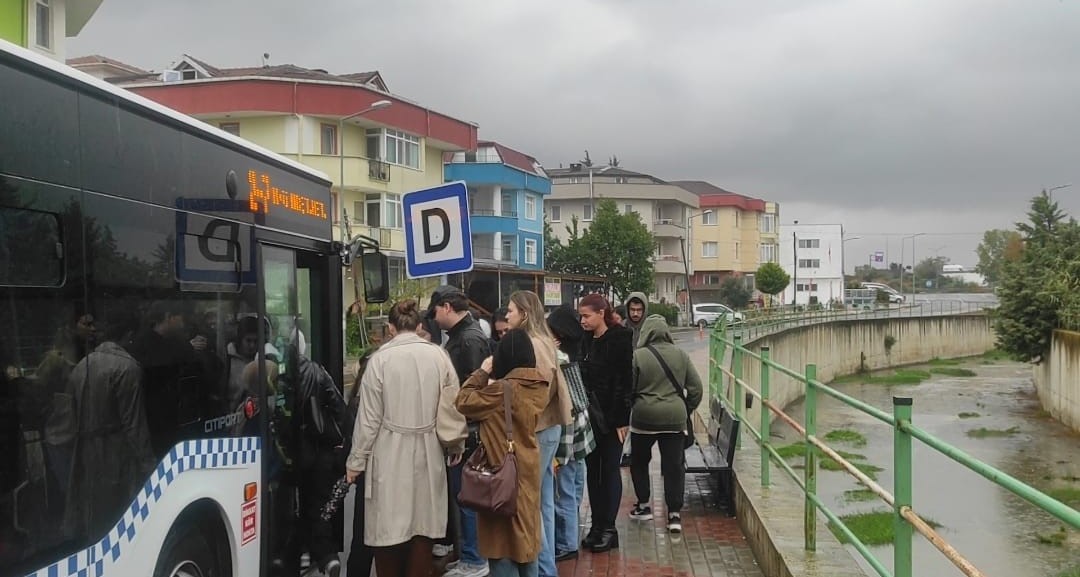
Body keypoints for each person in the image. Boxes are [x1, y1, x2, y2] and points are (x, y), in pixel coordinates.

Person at [346, 299, 468, 577]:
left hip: (388, 452)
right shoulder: (439, 356)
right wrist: (456, 443)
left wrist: (356, 461)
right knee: (423, 531)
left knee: (387, 531)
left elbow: (368, 419)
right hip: (430, 451)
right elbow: (452, 405)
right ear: (419, 325)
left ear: (390, 328)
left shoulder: (380, 360)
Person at [455, 329, 551, 577]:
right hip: (527, 468)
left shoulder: (502, 391)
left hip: (501, 471)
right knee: (526, 542)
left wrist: (483, 371)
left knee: (503, 545)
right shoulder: (538, 385)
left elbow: (463, 400)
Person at [503, 291, 571, 577]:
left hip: (538, 430)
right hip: (545, 429)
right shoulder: (543, 341)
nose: (506, 315)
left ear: (524, 314)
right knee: (541, 503)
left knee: (531, 507)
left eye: (510, 311)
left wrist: (522, 420)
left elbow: (538, 391)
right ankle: (546, 568)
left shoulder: (534, 344)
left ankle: (542, 569)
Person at [429, 285, 491, 577]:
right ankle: (468, 553)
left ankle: (474, 558)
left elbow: (472, 394)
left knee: (467, 497)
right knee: (462, 496)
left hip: (467, 433)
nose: (433, 318)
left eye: (435, 311)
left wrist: (460, 437)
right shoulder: (464, 337)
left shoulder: (468, 341)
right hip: (464, 431)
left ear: (447, 307)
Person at [628, 315, 703, 534]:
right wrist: (684, 408)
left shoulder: (638, 356)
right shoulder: (681, 355)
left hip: (644, 418)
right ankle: (674, 514)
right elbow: (696, 388)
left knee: (639, 461)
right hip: (674, 419)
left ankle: (643, 506)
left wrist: (638, 403)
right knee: (673, 466)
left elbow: (629, 388)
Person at [576, 294, 633, 552]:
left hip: (610, 417)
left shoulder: (619, 338)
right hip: (589, 416)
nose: (583, 320)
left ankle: (609, 528)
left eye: (587, 315)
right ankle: (597, 525)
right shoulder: (586, 339)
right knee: (593, 471)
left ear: (602, 313)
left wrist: (622, 419)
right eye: (581, 316)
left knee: (609, 470)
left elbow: (625, 380)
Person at [545, 306, 593, 562]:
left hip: (566, 432)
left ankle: (566, 543)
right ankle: (571, 536)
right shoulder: (576, 353)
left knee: (563, 489)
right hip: (580, 431)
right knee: (574, 486)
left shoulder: (558, 359)